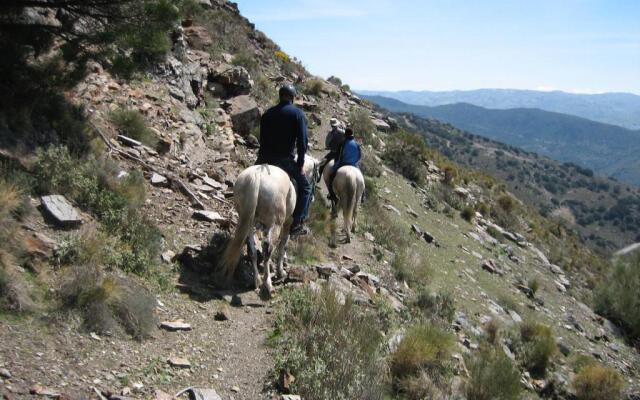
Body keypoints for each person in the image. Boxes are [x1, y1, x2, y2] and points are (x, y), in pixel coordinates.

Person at [256, 84, 312, 236]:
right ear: (293, 97)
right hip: (284, 160)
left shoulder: (267, 113)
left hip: (263, 159)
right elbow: (302, 143)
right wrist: (300, 164)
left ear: (280, 96)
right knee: (306, 188)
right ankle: (297, 224)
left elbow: (262, 139)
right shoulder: (297, 114)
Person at [327, 127, 361, 202]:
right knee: (361, 178)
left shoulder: (342, 143)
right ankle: (363, 195)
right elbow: (359, 156)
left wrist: (336, 164)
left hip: (343, 164)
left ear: (345, 134)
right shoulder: (357, 144)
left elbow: (338, 156)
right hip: (354, 164)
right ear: (352, 135)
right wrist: (354, 162)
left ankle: (332, 194)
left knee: (331, 176)